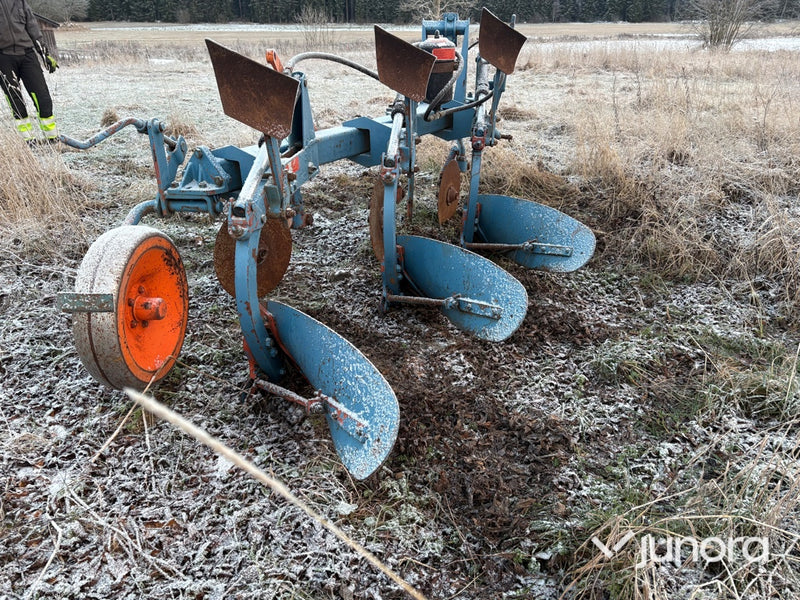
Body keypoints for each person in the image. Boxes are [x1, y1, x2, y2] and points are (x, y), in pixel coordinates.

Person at [0, 0, 59, 144]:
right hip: (3, 57)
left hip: (27, 55)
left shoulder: (19, 2)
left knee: (43, 98)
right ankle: (28, 141)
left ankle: (52, 139)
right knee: (16, 101)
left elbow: (32, 27)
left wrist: (44, 53)